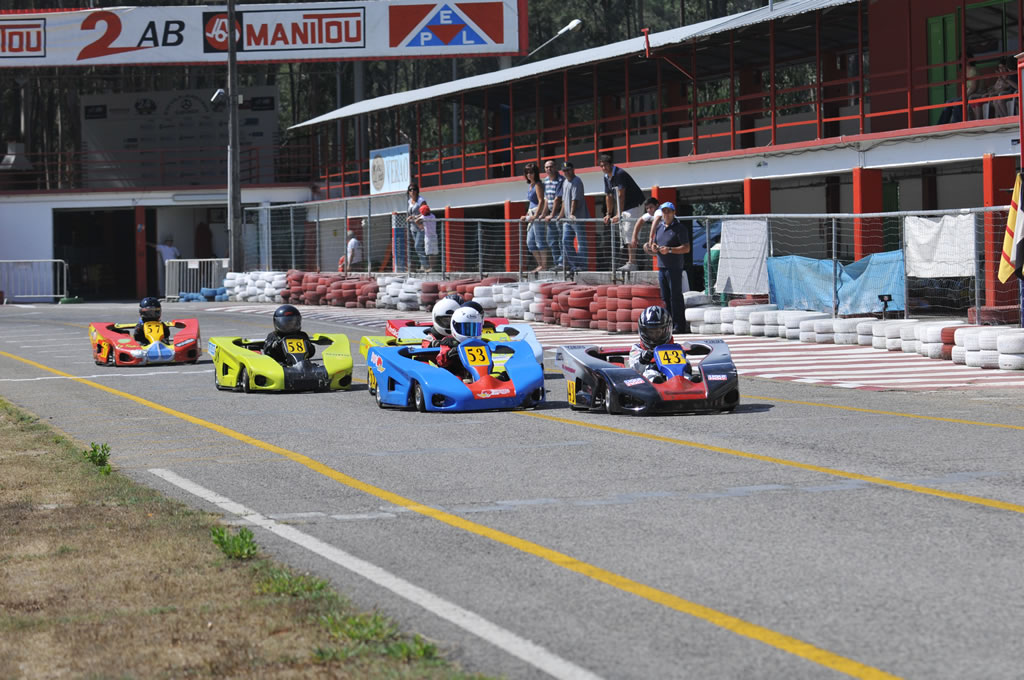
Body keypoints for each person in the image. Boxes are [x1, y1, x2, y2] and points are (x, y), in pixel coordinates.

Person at [644, 202, 690, 334]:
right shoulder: (659, 228)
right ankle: (668, 324)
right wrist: (653, 247)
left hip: (674, 267)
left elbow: (686, 248)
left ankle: (679, 325)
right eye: (664, 212)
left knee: (675, 297)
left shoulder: (680, 228)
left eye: (669, 211)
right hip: (662, 267)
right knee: (665, 297)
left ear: (674, 213)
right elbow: (656, 244)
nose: (666, 214)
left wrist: (669, 250)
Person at [599, 153, 646, 272]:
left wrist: (618, 214)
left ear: (611, 165)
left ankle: (632, 262)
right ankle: (630, 260)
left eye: (605, 165)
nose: (603, 168)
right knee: (624, 233)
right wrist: (609, 214)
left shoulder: (619, 174)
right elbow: (608, 196)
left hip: (634, 204)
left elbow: (621, 195)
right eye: (601, 166)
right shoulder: (606, 177)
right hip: (625, 207)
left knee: (630, 231)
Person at [628, 305, 698, 383]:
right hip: (647, 383)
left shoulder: (674, 348)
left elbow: (685, 363)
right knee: (651, 369)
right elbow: (634, 370)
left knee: (683, 370)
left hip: (674, 379)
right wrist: (643, 360)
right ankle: (655, 381)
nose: (655, 336)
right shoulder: (637, 348)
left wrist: (685, 362)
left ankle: (689, 381)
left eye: (658, 332)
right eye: (651, 332)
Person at [559, 161, 589, 274]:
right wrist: (561, 215)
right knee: (565, 241)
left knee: (581, 242)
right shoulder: (565, 182)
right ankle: (574, 264)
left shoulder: (577, 181)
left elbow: (574, 200)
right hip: (567, 219)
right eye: (564, 170)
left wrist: (571, 213)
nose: (566, 172)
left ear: (573, 169)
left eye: (568, 170)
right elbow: (563, 200)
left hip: (577, 218)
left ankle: (582, 265)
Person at [937, 52, 979, 125]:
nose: (963, 61)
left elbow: (973, 87)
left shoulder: (973, 70)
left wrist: (963, 96)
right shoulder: (965, 71)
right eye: (961, 59)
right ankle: (941, 124)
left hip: (975, 93)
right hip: (968, 94)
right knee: (948, 102)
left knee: (957, 102)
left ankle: (957, 122)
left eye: (965, 59)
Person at [521, 163, 549, 272]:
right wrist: (528, 215)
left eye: (531, 172)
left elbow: (541, 201)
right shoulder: (531, 185)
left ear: (535, 173)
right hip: (531, 214)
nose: (529, 175)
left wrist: (536, 216)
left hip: (537, 215)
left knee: (540, 240)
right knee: (530, 242)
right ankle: (540, 264)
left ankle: (544, 265)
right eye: (527, 173)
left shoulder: (538, 184)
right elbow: (531, 202)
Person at [624, 197, 661, 271]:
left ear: (657, 205)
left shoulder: (659, 210)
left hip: (672, 233)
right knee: (646, 247)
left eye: (651, 207)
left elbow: (656, 220)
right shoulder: (651, 213)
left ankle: (663, 254)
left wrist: (651, 238)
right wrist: (634, 237)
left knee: (650, 245)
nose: (649, 210)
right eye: (647, 208)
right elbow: (640, 221)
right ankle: (661, 255)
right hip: (663, 236)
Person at [540, 160, 565, 268]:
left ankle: (562, 262)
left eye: (550, 167)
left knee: (561, 239)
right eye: (546, 167)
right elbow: (546, 199)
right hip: (551, 214)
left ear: (555, 167)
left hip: (559, 214)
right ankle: (556, 263)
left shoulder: (561, 180)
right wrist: (544, 213)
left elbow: (557, 199)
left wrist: (553, 214)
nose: (549, 169)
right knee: (552, 240)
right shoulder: (545, 181)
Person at [412, 204, 439, 272]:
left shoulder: (424, 217)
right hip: (434, 236)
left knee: (429, 253)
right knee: (434, 252)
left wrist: (420, 226)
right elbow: (420, 215)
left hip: (428, 237)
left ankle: (431, 268)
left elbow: (416, 221)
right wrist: (417, 216)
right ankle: (434, 267)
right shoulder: (432, 215)